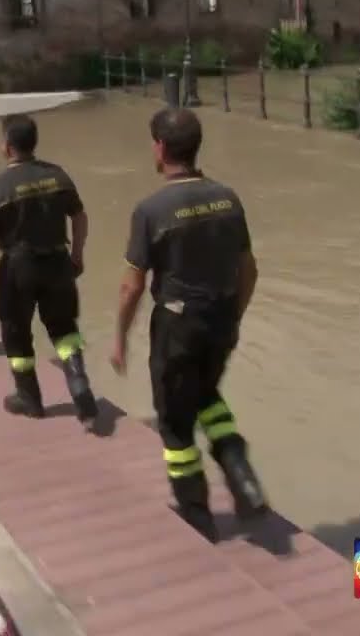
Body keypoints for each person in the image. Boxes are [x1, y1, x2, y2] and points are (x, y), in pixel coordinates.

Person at [111, 108, 267, 543]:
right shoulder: (227, 197)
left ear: (160, 148)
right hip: (221, 320)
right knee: (206, 395)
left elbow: (132, 287)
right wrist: (233, 317)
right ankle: (240, 472)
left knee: (175, 423)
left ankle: (195, 511)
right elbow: (249, 269)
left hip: (178, 326)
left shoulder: (151, 209)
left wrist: (120, 337)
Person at [0, 114, 99, 429]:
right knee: (64, 328)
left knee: (16, 332)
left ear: (7, 146)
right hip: (57, 263)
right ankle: (79, 383)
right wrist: (77, 255)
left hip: (18, 269)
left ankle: (30, 398)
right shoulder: (58, 176)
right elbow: (80, 217)